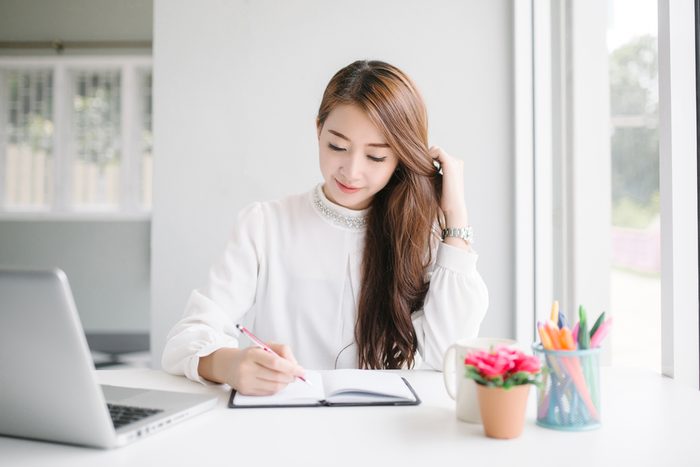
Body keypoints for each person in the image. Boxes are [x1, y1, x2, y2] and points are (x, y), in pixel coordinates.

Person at [162, 60, 489, 396]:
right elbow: (186, 339)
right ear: (318, 130)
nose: (351, 171)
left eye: (376, 157)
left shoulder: (422, 238)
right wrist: (229, 365)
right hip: (283, 429)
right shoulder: (264, 225)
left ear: (401, 157)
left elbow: (448, 353)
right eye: (337, 147)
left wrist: (455, 218)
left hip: (388, 434)